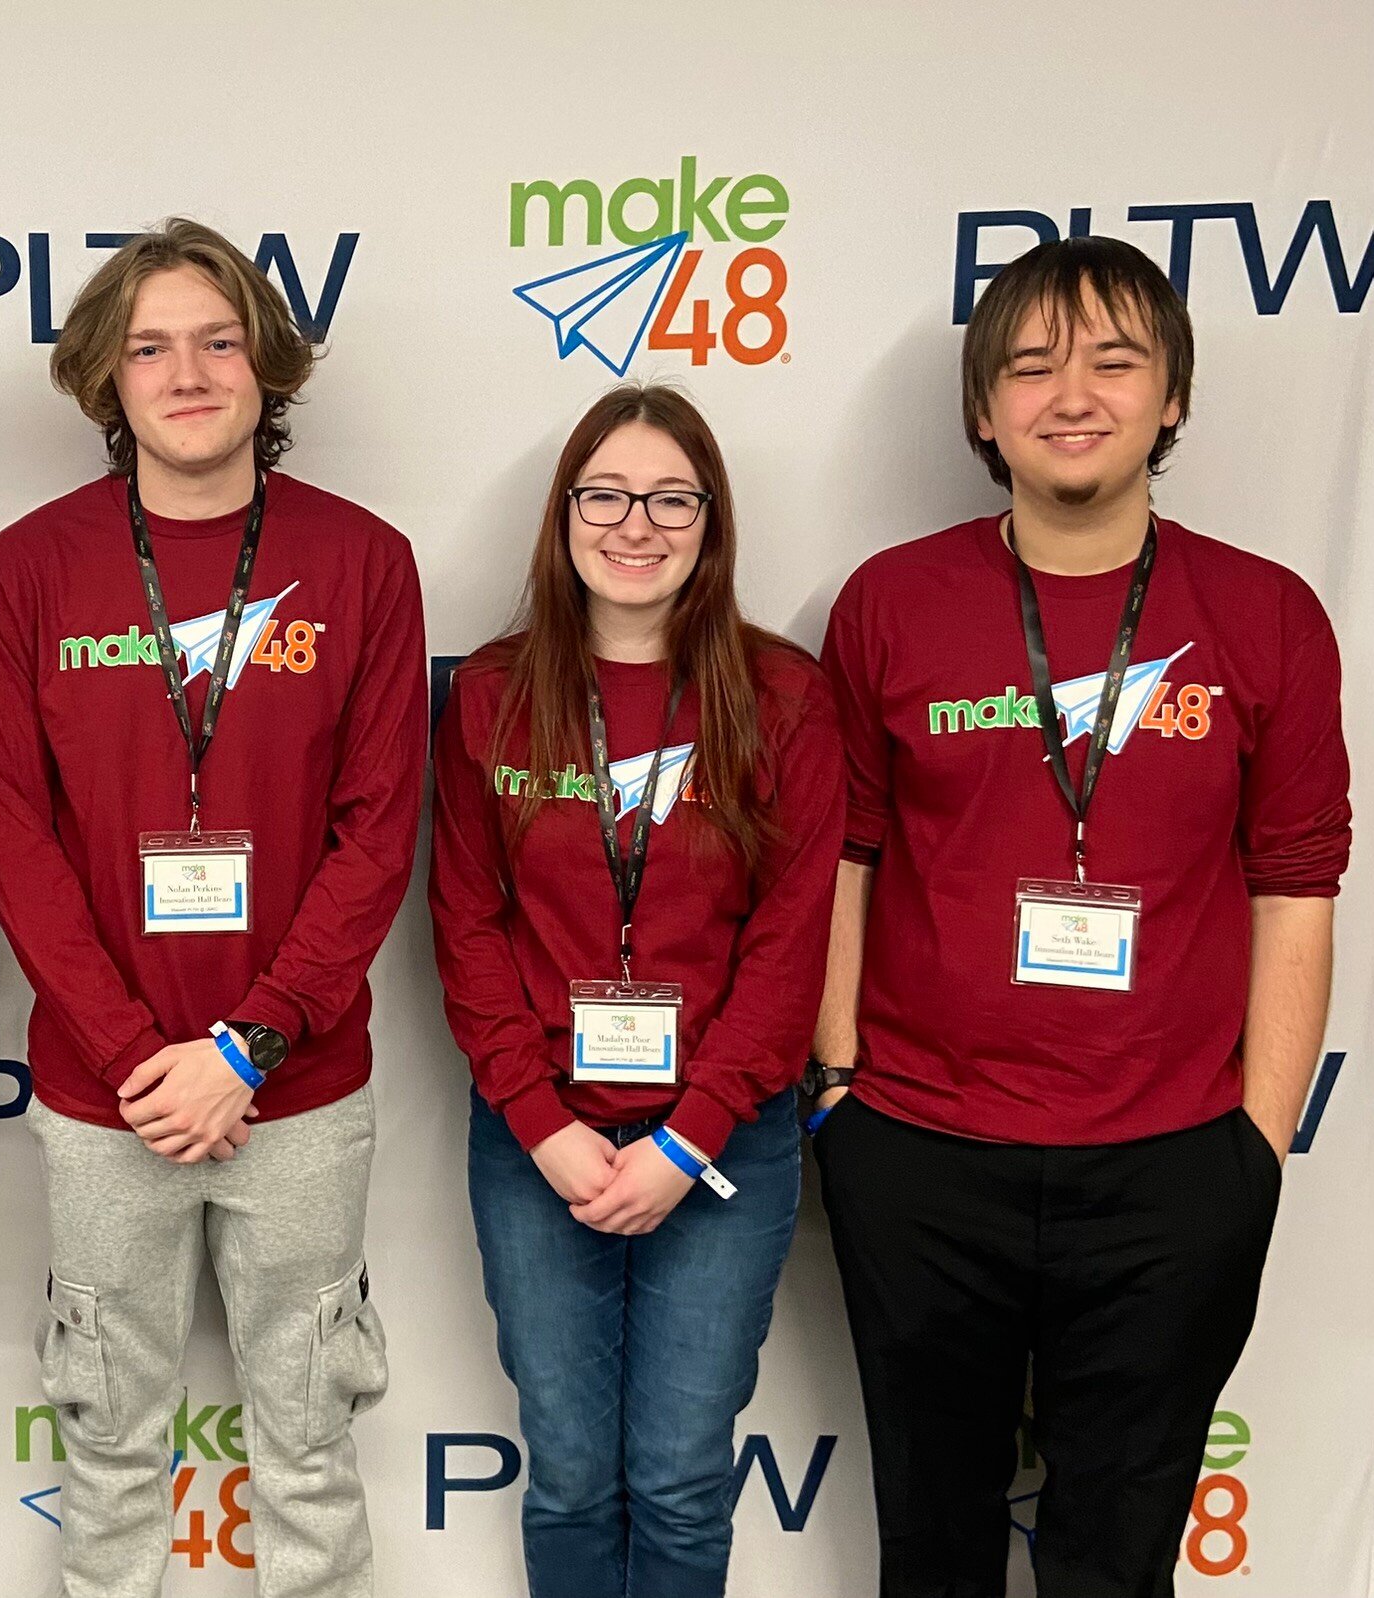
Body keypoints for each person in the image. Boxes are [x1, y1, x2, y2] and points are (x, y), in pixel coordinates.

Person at [810, 235, 1349, 1597]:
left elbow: (1295, 884)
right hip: (922, 1151)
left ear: (1169, 397)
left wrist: (1257, 1144)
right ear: (980, 409)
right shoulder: (889, 603)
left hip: (1171, 1165)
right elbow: (844, 857)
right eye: (1031, 363)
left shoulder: (1267, 615)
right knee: (932, 1549)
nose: (1072, 393)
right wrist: (836, 1095)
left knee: (1114, 1562)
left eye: (1115, 360)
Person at [0, 217, 425, 1598]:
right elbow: (13, 838)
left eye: (218, 341)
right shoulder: (31, 568)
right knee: (106, 1437)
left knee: (307, 1440)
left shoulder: (361, 563)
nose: (187, 373)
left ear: (265, 365)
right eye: (149, 346)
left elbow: (376, 832)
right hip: (108, 1100)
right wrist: (129, 1053)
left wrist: (246, 1045)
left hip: (297, 1088)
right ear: (105, 379)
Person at [428, 383, 844, 1597]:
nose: (635, 523)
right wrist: (542, 1123)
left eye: (672, 497)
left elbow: (787, 946)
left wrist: (692, 1134)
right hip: (534, 1139)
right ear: (563, 514)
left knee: (674, 1475)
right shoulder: (492, 696)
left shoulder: (782, 699)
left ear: (711, 522)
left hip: (720, 1150)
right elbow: (466, 927)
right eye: (604, 493)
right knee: (564, 1470)